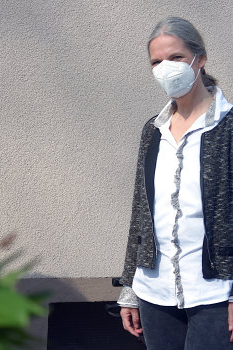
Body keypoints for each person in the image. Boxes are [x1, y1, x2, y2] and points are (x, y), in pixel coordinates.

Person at [118, 17, 233, 349]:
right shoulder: (153, 130)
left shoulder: (227, 127)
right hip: (155, 292)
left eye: (176, 57)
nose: (166, 67)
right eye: (157, 61)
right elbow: (142, 210)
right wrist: (130, 287)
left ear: (200, 58)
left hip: (214, 292)